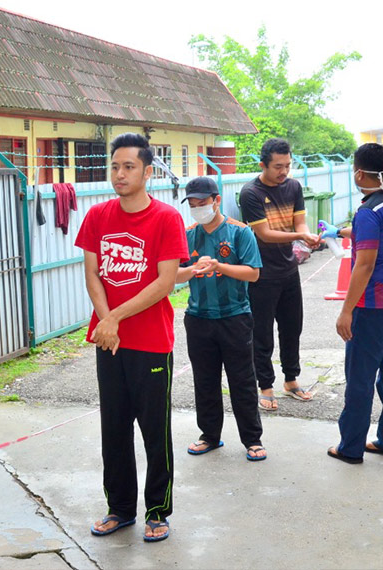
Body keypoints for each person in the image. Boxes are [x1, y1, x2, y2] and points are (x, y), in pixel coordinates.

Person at [75, 132, 188, 543]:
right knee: (114, 429)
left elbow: (165, 282)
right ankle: (120, 508)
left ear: (147, 171)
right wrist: (107, 323)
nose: (119, 174)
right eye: (115, 166)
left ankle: (158, 510)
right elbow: (91, 273)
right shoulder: (97, 216)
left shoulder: (166, 218)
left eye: (129, 167)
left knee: (154, 432)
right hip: (111, 342)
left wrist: (115, 317)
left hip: (151, 343)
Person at [325, 143, 383, 464]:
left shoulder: (366, 211)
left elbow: (364, 264)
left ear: (359, 173)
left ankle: (350, 447)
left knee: (360, 378)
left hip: (374, 307)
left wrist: (346, 310)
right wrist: (339, 232)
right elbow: (371, 234)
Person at [175, 177, 266, 461]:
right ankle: (209, 435)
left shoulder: (240, 232)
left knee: (242, 380)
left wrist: (219, 266)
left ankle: (252, 439)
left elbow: (253, 273)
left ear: (216, 200)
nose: (198, 208)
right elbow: (170, 277)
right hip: (198, 317)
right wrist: (192, 270)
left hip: (235, 316)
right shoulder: (188, 234)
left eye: (202, 203)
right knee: (205, 380)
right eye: (192, 204)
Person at [238, 138, 321, 411]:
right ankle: (265, 386)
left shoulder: (293, 187)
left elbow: (299, 221)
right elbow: (263, 233)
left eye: (287, 165)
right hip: (261, 272)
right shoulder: (250, 192)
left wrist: (305, 234)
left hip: (288, 270)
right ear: (263, 165)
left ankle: (291, 380)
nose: (284, 171)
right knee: (261, 333)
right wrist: (300, 236)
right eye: (278, 167)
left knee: (292, 328)